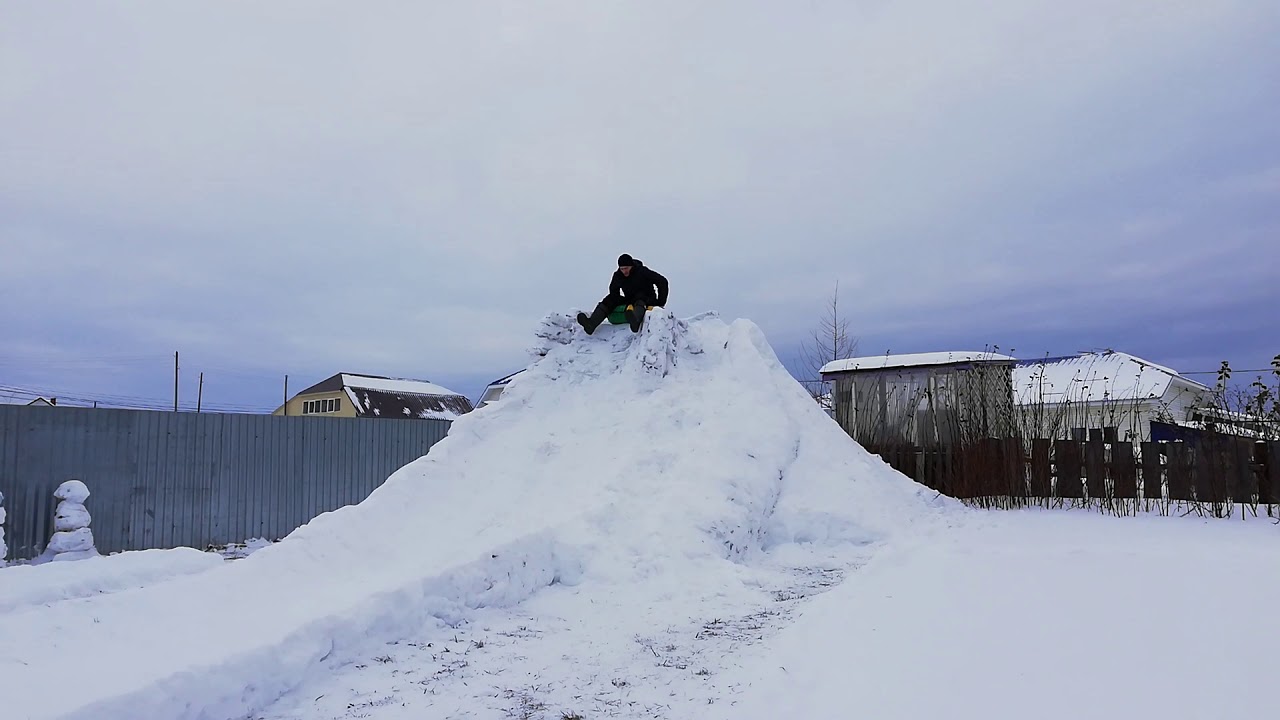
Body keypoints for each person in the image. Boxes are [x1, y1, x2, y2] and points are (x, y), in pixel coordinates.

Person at [576, 253, 669, 334]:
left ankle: (635, 322)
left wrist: (660, 303)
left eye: (626, 268)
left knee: (639, 298)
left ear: (631, 266)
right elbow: (613, 291)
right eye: (622, 269)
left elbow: (662, 281)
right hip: (631, 299)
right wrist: (613, 302)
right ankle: (591, 324)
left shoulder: (642, 271)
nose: (624, 271)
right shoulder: (618, 275)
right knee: (609, 299)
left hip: (647, 299)